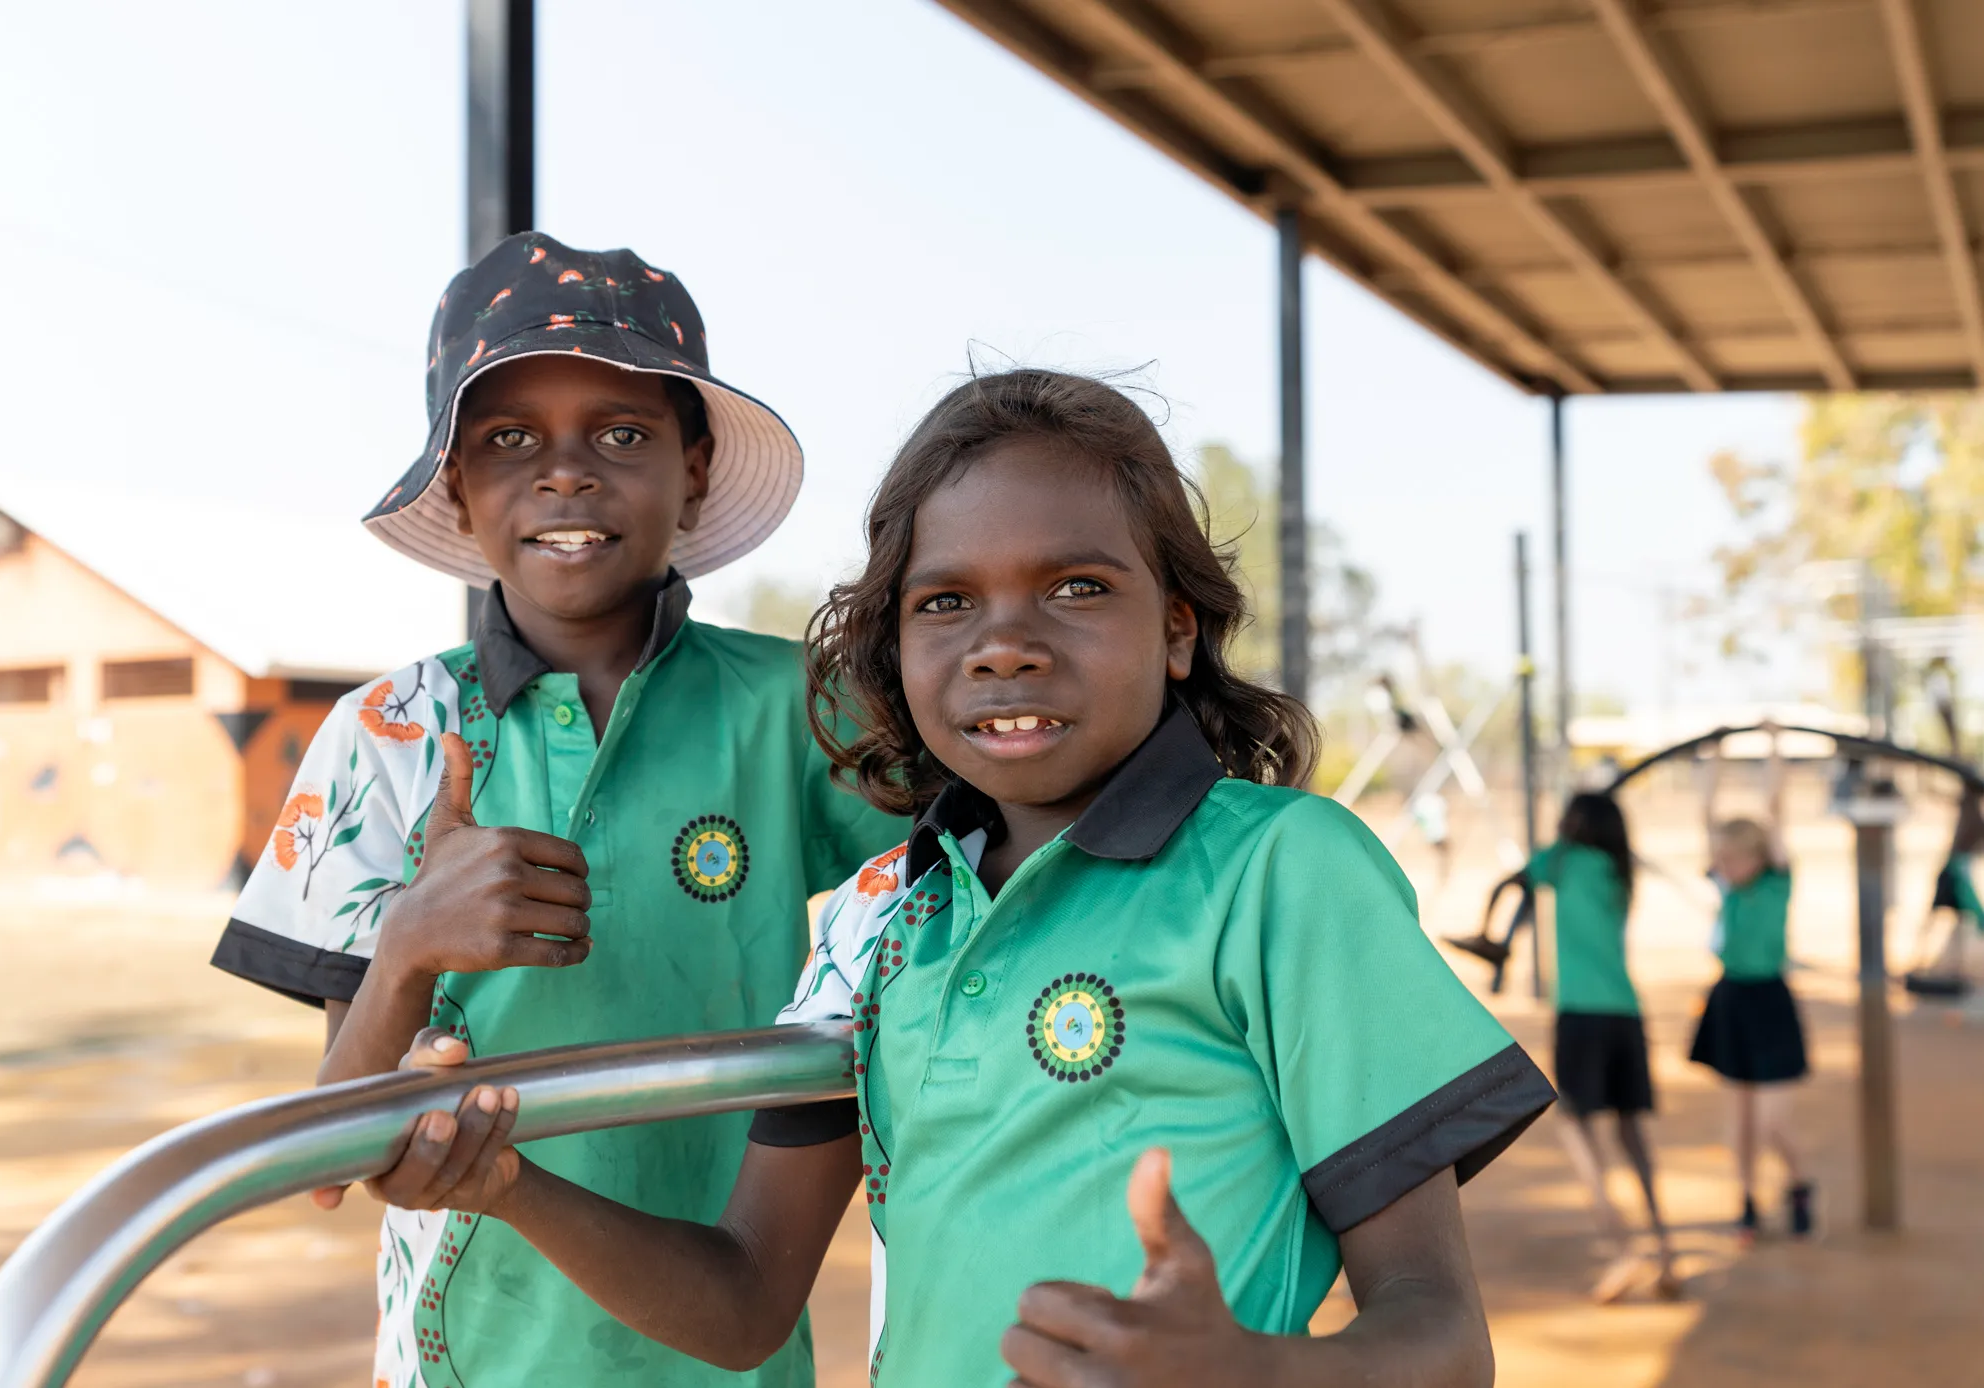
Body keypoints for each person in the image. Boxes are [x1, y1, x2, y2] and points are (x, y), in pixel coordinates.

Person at [362, 368, 1556, 1387]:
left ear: (1180, 627)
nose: (1005, 640)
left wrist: (1255, 1370)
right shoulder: (881, 917)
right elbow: (740, 1304)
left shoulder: (1283, 873)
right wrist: (510, 1184)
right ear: (896, 651)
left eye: (1077, 586)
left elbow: (1443, 1334)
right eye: (946, 602)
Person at [208, 232, 905, 1387]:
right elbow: (324, 1158)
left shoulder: (801, 705)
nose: (567, 472)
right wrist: (408, 945)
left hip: (725, 1341)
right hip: (471, 1352)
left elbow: (993, 852)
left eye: (623, 435)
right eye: (509, 439)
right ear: (459, 486)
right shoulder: (386, 737)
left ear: (693, 472)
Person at [1475, 793, 1679, 1302]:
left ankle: (1621, 1249)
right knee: (1633, 1134)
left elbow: (1515, 881)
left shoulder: (1561, 859)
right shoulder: (1619, 872)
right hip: (1626, 1014)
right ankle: (1666, 1247)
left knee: (1577, 1129)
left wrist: (1490, 937)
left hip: (1581, 1016)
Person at [1692, 726, 1813, 1241]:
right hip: (1731, 1000)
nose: (1723, 865)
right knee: (1738, 1119)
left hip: (1769, 1000)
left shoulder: (1777, 879)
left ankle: (1800, 1182)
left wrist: (1774, 747)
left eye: (1732, 858)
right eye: (1721, 858)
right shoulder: (1727, 882)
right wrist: (1712, 757)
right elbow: (1706, 815)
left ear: (1757, 857)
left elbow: (1778, 808)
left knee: (1770, 1122)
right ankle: (1746, 1201)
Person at [1903, 787, 1984, 998]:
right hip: (1956, 871)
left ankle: (1941, 966)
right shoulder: (1971, 816)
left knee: (1947, 920)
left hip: (1957, 873)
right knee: (1950, 920)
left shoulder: (1972, 819)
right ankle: (1931, 964)